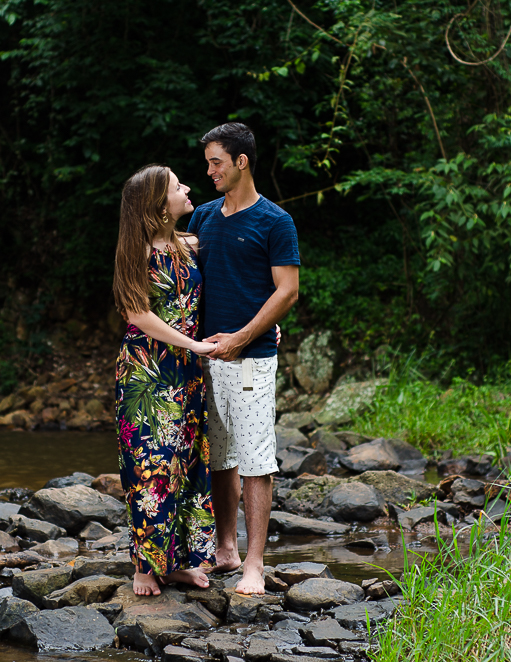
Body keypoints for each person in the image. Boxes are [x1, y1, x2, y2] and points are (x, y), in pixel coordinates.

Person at [186, 123, 300, 595]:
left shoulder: (275, 221)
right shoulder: (204, 218)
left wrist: (245, 335)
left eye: (216, 162)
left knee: (255, 460)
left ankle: (254, 563)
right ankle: (225, 548)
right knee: (220, 455)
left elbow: (287, 290)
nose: (209, 171)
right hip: (206, 356)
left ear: (241, 161)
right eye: (208, 162)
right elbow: (180, 278)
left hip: (251, 357)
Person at [113, 164, 218, 596]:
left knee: (187, 464)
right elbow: (137, 314)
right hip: (148, 372)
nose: (188, 188)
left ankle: (177, 564)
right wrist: (192, 346)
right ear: (158, 205)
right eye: (178, 186)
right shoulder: (134, 253)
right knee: (150, 467)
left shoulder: (191, 245)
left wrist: (262, 330)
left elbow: (222, 295)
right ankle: (144, 567)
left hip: (188, 375)